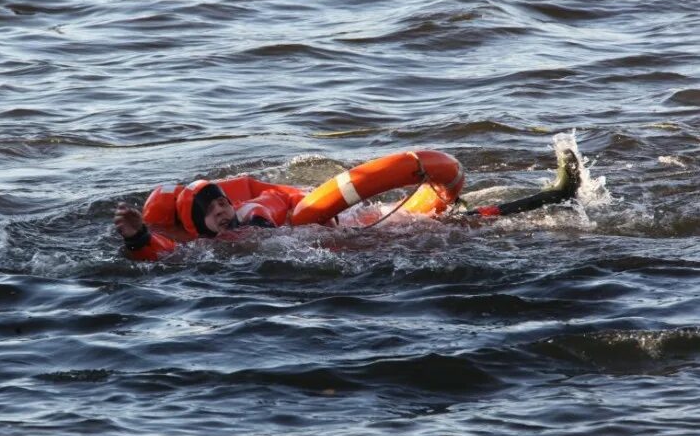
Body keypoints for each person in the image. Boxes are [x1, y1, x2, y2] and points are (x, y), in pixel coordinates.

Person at [114, 150, 582, 261]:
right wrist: (137, 237)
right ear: (198, 225)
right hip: (355, 240)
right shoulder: (209, 250)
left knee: (457, 227)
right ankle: (556, 197)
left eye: (220, 203)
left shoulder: (259, 216)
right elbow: (161, 252)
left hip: (359, 227)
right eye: (209, 211)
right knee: (458, 227)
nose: (219, 210)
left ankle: (556, 195)